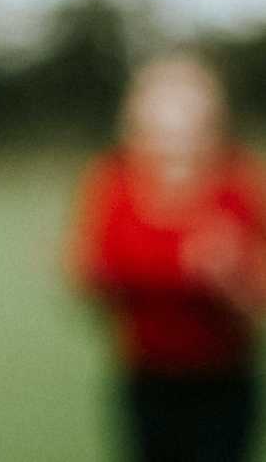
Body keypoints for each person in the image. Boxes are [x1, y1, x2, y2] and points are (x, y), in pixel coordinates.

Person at [71, 53, 266, 462]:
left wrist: (232, 277)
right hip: (144, 378)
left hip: (223, 381)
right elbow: (89, 275)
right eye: (162, 123)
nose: (174, 138)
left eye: (187, 123)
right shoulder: (115, 185)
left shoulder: (239, 186)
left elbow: (257, 297)